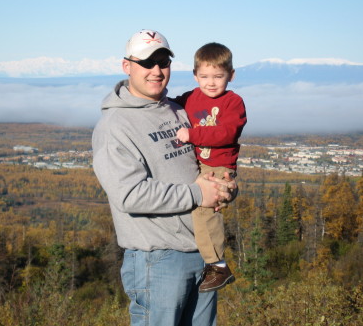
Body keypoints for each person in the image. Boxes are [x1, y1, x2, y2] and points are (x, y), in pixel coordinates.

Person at [92, 29, 236, 326]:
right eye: (147, 62)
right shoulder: (115, 126)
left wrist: (224, 188)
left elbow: (206, 162)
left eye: (163, 61)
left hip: (203, 255)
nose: (156, 70)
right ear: (126, 66)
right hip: (158, 261)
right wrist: (199, 195)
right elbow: (130, 195)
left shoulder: (177, 111)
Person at [174, 43, 247, 292]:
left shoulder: (233, 103)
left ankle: (218, 265)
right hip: (201, 164)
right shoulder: (190, 97)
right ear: (195, 76)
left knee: (205, 209)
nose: (211, 83)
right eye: (204, 76)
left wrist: (192, 134)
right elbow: (170, 106)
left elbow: (225, 133)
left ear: (231, 75)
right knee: (198, 207)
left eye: (218, 76)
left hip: (218, 166)